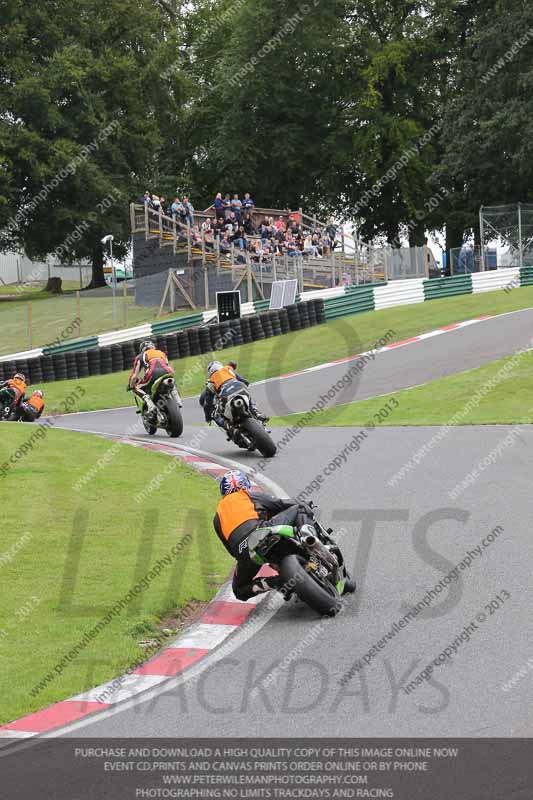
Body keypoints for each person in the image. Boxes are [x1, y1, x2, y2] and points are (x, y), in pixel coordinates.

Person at [214, 471, 319, 600]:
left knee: (239, 591)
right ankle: (311, 545)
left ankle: (276, 582)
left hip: (245, 553)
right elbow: (282, 504)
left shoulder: (217, 518)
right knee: (300, 508)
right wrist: (307, 504)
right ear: (245, 485)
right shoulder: (248, 495)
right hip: (262, 532)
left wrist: (244, 556)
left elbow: (231, 550)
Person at [127, 340, 174, 420]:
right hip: (168, 372)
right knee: (171, 381)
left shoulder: (140, 356)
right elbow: (169, 367)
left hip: (152, 374)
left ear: (142, 349)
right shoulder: (161, 353)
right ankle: (176, 399)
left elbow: (134, 376)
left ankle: (150, 405)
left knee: (137, 386)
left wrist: (131, 385)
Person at [200, 360, 251, 429]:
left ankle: (229, 427)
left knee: (216, 416)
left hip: (226, 394)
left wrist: (208, 418)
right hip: (240, 387)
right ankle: (256, 412)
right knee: (247, 395)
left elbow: (207, 404)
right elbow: (245, 382)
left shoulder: (211, 380)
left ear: (210, 372)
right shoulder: (228, 369)